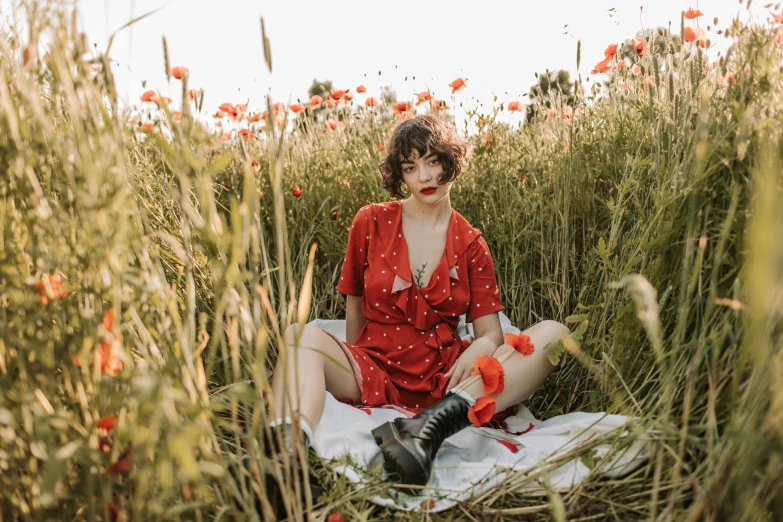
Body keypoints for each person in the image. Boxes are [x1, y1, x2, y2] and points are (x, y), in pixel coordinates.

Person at [263, 115, 570, 511]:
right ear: (400, 176)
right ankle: (285, 460)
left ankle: (428, 428)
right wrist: (355, 366)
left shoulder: (472, 244)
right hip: (375, 364)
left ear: (450, 161)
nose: (423, 176)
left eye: (431, 161)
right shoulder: (370, 221)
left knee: (555, 333)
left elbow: (490, 332)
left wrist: (480, 348)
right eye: (410, 167)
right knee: (300, 335)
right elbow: (354, 304)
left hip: (443, 379)